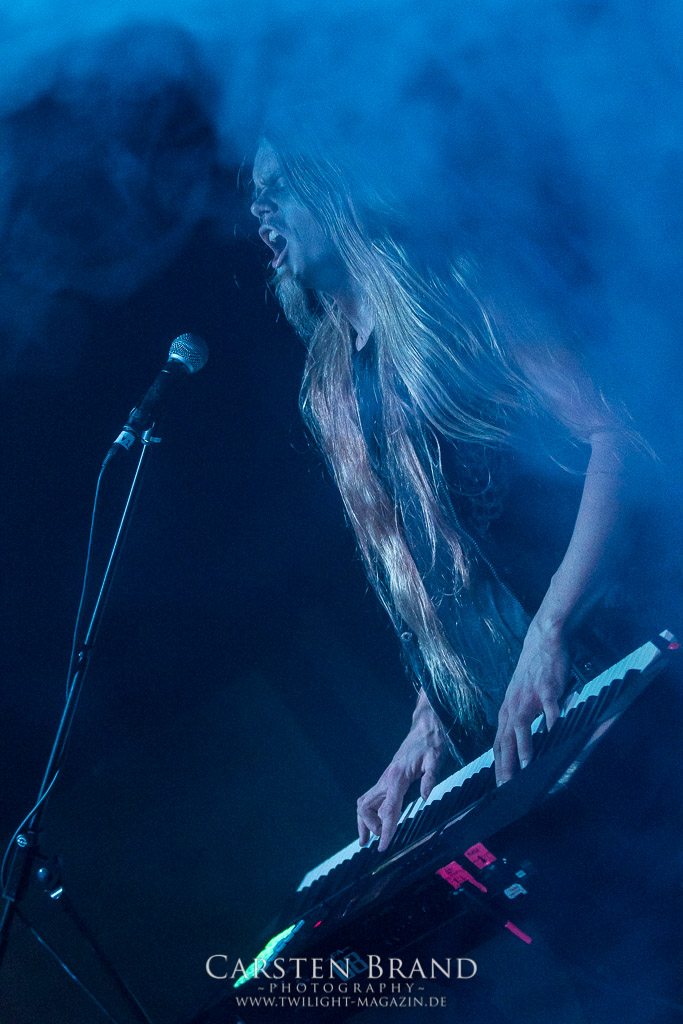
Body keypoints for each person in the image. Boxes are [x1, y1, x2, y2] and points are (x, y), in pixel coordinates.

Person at [249, 126, 640, 855]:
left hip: (616, 665)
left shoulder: (461, 289)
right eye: (254, 198)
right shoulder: (331, 380)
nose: (258, 211)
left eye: (276, 188)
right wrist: (428, 719)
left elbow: (616, 440)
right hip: (521, 728)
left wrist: (551, 629)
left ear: (334, 182)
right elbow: (443, 572)